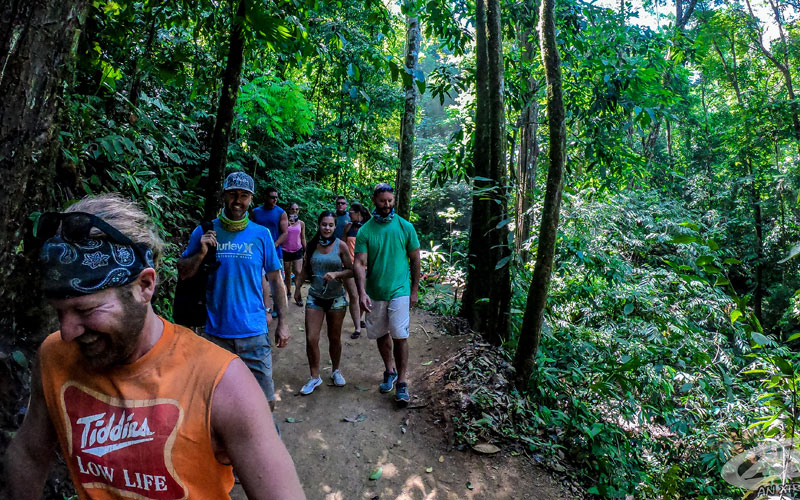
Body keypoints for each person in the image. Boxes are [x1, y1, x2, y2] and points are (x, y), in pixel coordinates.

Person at [4, 193, 305, 500]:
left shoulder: (222, 383)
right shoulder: (55, 356)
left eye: (85, 311)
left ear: (145, 286)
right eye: (59, 312)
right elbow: (29, 452)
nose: (67, 332)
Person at [178, 172, 289, 413]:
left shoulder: (262, 234)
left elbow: (276, 280)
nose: (238, 201)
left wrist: (282, 323)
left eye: (244, 196)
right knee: (216, 403)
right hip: (214, 334)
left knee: (265, 402)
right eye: (232, 194)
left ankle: (262, 446)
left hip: (254, 332)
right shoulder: (204, 231)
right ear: (223, 196)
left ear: (251, 200)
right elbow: (184, 273)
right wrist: (200, 253)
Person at [354, 183, 421, 406]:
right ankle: (389, 370)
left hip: (399, 290)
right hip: (375, 291)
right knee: (381, 333)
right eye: (383, 201)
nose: (387, 205)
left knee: (399, 334)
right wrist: (362, 292)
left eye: (390, 201)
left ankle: (402, 382)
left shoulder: (405, 227)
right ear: (374, 200)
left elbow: (415, 259)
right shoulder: (365, 231)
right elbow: (360, 263)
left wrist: (414, 290)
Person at [293, 211, 354, 395]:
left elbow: (351, 270)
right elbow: (304, 270)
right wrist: (297, 289)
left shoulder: (341, 246)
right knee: (311, 338)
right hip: (315, 297)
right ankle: (314, 376)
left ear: (335, 227)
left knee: (334, 338)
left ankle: (336, 370)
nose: (327, 228)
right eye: (324, 224)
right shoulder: (312, 246)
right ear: (319, 225)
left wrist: (337, 274)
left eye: (330, 225)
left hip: (336, 298)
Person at [252, 186, 288, 317]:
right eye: (272, 197)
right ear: (265, 197)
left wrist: (274, 245)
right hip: (257, 252)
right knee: (259, 280)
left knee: (278, 281)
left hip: (275, 253)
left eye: (276, 197)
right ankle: (262, 307)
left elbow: (285, 233)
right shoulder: (256, 212)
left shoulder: (281, 213)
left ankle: (279, 309)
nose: (275, 200)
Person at [342, 202, 370, 338]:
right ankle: (357, 328)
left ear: (358, 213)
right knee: (354, 296)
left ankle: (359, 318)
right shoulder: (348, 227)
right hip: (349, 267)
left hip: (364, 267)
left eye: (350, 211)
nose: (348, 213)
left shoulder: (367, 227)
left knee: (362, 295)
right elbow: (342, 245)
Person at [282, 202, 306, 298]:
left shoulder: (301, 223)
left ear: (298, 211)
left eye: (296, 209)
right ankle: (288, 291)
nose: (294, 211)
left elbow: (303, 237)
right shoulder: (284, 222)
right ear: (289, 210)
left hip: (297, 250)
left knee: (298, 272)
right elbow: (281, 234)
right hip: (285, 250)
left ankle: (298, 292)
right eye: (292, 209)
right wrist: (287, 224)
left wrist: (306, 250)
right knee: (287, 272)